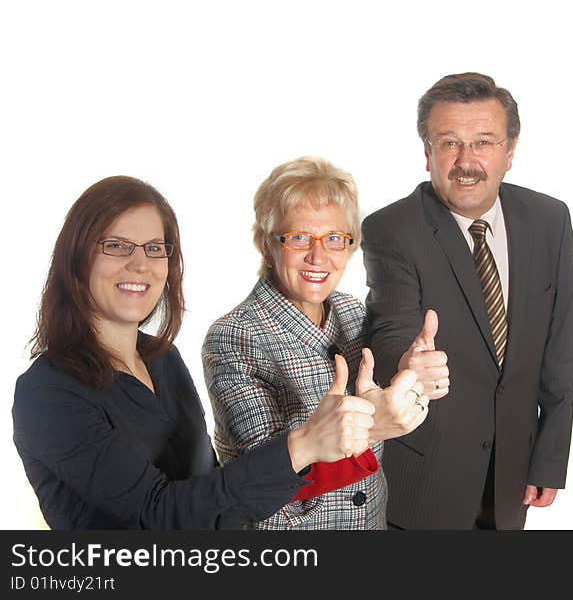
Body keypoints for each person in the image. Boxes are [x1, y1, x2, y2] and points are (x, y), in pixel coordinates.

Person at [12, 176, 377, 529]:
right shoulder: (48, 393)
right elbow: (157, 515)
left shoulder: (161, 358)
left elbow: (214, 492)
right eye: (117, 245)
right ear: (77, 258)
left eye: (154, 248)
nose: (140, 264)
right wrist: (304, 445)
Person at [361, 72, 573, 530]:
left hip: (513, 475)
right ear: (427, 154)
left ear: (510, 151)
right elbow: (391, 324)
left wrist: (549, 457)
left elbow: (560, 349)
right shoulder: (392, 229)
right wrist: (406, 361)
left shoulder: (549, 221)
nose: (466, 161)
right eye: (449, 143)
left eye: (483, 142)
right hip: (427, 478)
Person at [203, 156, 448, 530]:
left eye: (334, 238)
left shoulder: (352, 313)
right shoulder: (235, 336)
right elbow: (263, 478)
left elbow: (382, 391)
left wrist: (409, 370)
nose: (319, 256)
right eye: (299, 237)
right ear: (266, 244)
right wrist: (371, 427)